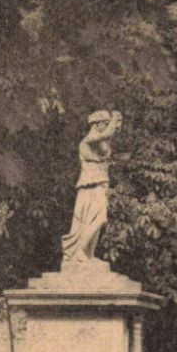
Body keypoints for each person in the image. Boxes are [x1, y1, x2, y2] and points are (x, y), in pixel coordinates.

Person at [61, 109, 122, 268]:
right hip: (90, 185)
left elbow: (106, 140)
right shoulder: (88, 139)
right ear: (96, 124)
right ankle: (80, 252)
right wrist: (115, 120)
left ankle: (88, 255)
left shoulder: (101, 141)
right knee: (99, 218)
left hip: (100, 183)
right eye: (105, 123)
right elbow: (106, 135)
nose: (108, 126)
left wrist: (115, 124)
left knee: (93, 220)